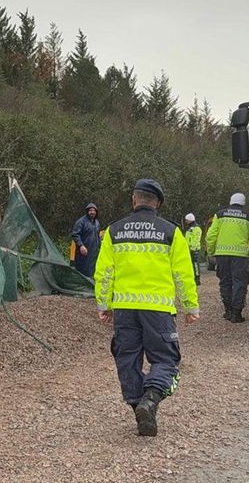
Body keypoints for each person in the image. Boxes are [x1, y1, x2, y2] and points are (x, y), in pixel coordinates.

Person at [94, 179, 200, 437]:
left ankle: (138, 408)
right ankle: (150, 400)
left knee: (127, 359)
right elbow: (183, 274)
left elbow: (104, 272)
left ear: (134, 200)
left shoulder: (114, 231)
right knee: (166, 359)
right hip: (158, 310)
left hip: (125, 309)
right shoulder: (171, 231)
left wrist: (103, 304)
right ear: (158, 203)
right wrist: (190, 307)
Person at [206, 193, 249, 323]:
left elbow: (211, 236)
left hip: (222, 255)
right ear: (243, 203)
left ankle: (228, 310)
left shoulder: (220, 215)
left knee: (225, 282)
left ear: (230, 201)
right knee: (240, 283)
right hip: (240, 256)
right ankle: (236, 313)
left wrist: (211, 251)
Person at [71, 203, 101, 277]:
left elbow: (98, 236)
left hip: (94, 252)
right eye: (90, 210)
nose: (92, 212)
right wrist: (81, 245)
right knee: (82, 272)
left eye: (94, 210)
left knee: (92, 271)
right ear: (87, 211)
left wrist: (100, 247)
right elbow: (75, 235)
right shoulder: (81, 222)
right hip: (83, 252)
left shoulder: (97, 222)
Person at [184, 213, 202, 286]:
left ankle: (197, 279)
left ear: (190, 220)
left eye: (186, 220)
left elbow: (196, 239)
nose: (186, 221)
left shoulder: (196, 228)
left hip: (194, 250)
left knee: (195, 264)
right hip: (189, 249)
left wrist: (192, 248)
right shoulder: (189, 228)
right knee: (190, 264)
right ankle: (192, 277)